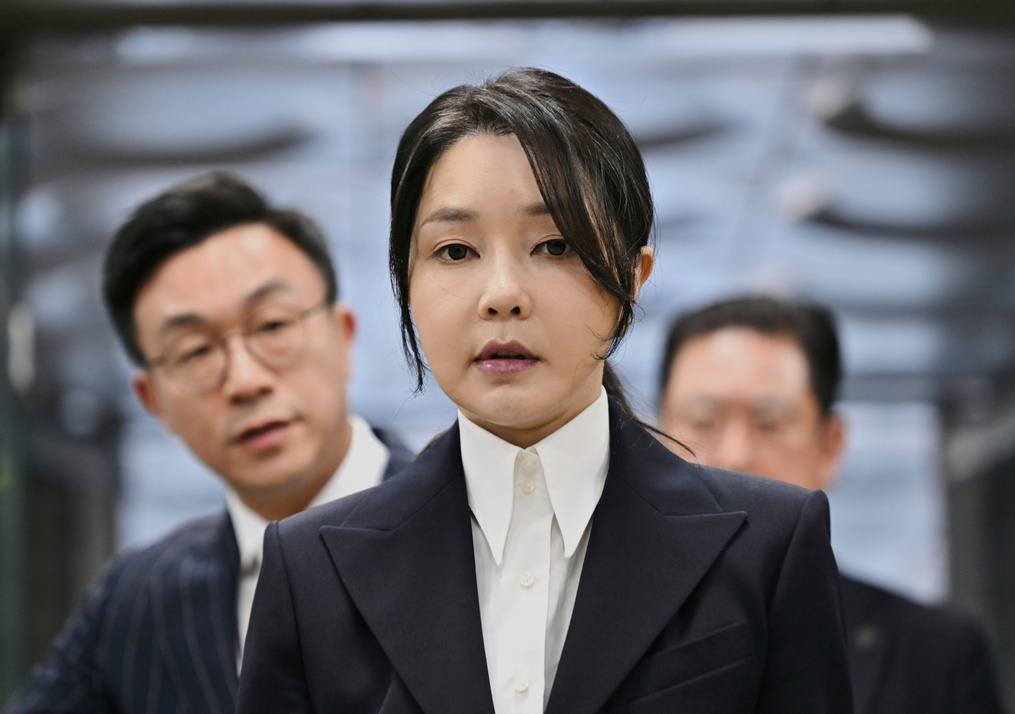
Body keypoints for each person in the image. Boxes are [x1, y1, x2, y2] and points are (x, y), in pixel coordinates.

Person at [236, 67, 853, 713]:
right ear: (406, 283)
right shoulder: (311, 570)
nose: (503, 294)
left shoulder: (767, 546)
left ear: (633, 277)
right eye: (454, 251)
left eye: (555, 245)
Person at [3, 172, 413, 714]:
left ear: (343, 337)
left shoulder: (473, 532)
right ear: (155, 402)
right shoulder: (135, 602)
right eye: (195, 352)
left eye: (271, 326)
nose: (244, 381)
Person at [658, 295, 1005, 714]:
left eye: (770, 423)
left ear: (830, 447)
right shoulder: (595, 627)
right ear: (655, 442)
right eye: (702, 422)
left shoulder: (934, 654)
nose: (735, 456)